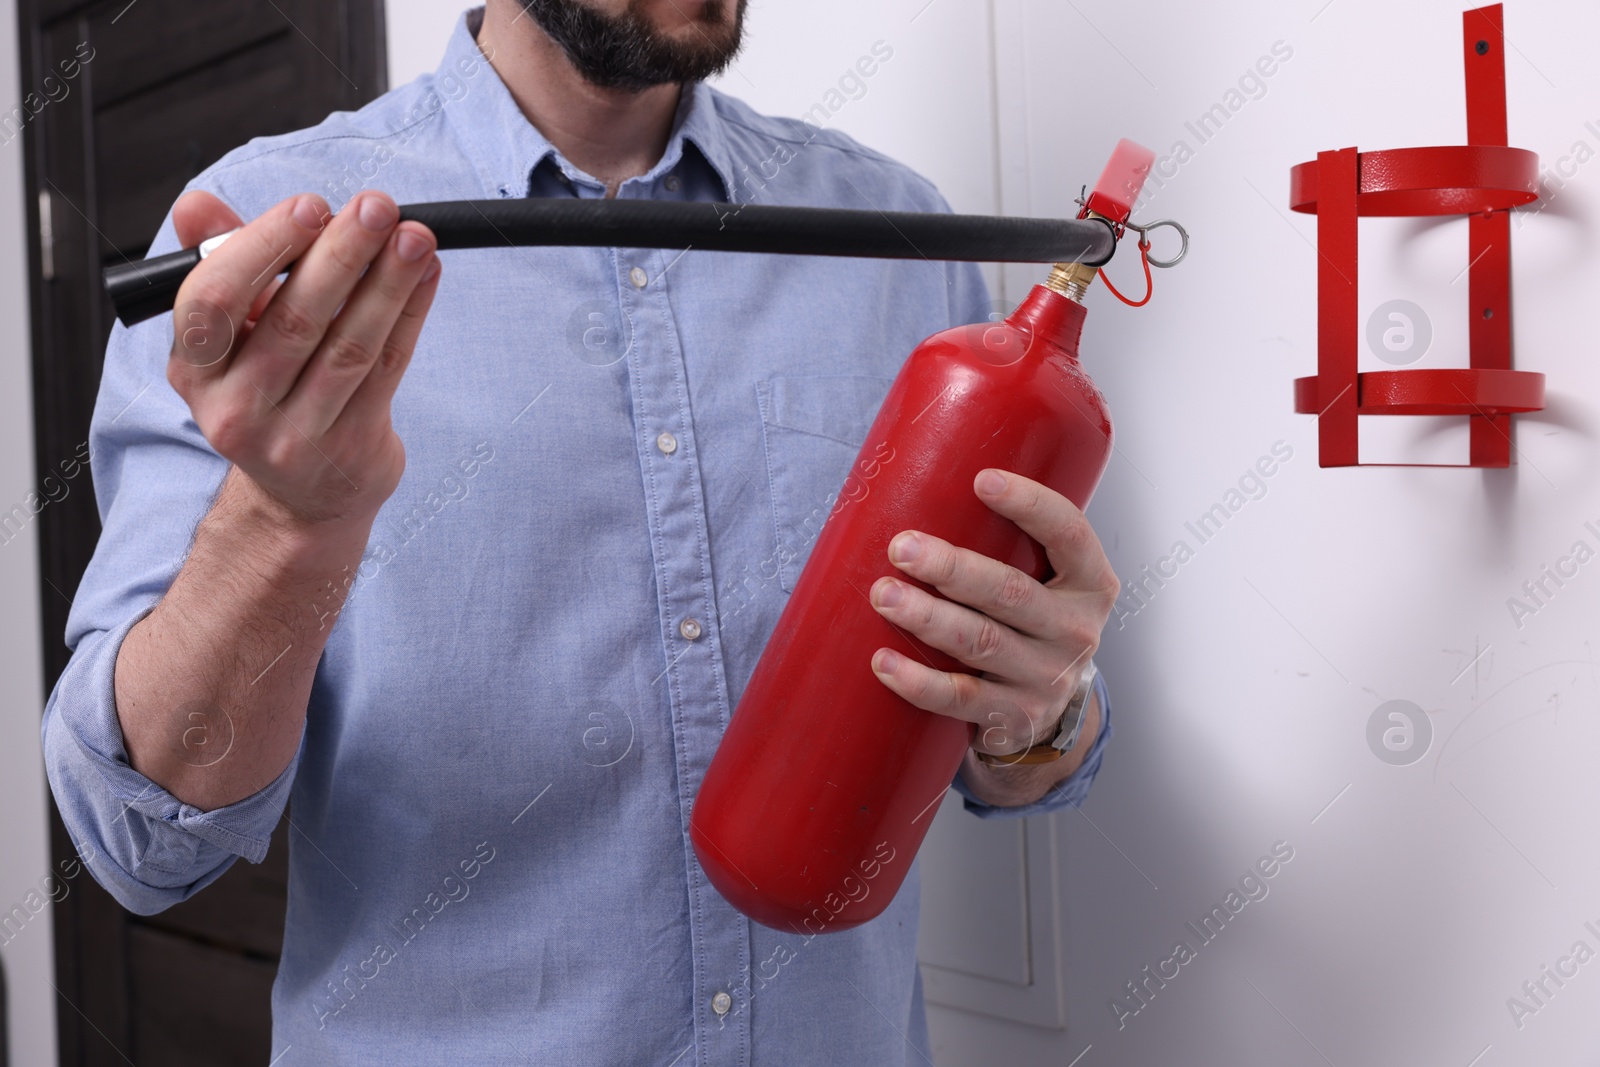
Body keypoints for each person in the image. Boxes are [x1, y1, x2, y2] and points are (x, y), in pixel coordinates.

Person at [41, 1, 1119, 1061]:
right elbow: (138, 841)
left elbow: (1005, 748)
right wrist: (281, 523)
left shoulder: (904, 237)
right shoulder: (264, 231)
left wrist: (1035, 716)